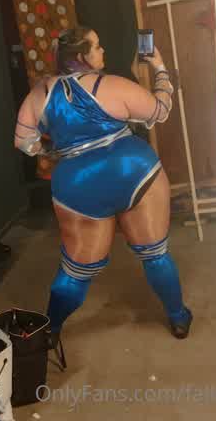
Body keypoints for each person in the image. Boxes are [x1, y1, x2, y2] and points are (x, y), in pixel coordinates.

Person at [14, 26, 192, 347]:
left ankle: (50, 330)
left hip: (78, 186)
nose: (103, 51)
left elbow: (24, 142)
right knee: (155, 255)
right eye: (97, 46)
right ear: (82, 56)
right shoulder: (114, 85)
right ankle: (178, 318)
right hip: (135, 173)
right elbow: (161, 110)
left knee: (76, 270)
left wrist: (54, 151)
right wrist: (160, 68)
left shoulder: (39, 94)